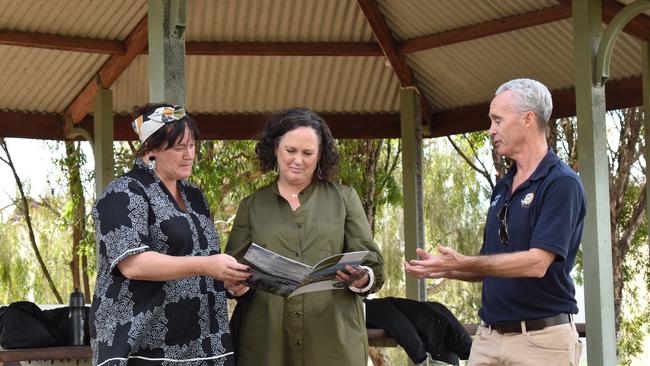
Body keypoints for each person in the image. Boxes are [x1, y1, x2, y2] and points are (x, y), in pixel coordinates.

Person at [405, 79, 586, 365]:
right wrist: (447, 269)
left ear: (528, 119)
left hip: (542, 343)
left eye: (498, 120)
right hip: (488, 340)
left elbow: (536, 263)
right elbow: (490, 265)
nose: (491, 130)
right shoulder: (502, 188)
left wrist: (462, 262)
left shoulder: (561, 183)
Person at [89, 104, 250, 366]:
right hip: (143, 348)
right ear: (151, 149)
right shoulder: (123, 192)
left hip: (205, 348)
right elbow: (132, 264)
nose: (189, 155)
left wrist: (229, 281)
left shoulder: (195, 197)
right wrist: (208, 266)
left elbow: (201, 261)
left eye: (192, 145)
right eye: (178, 148)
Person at [224, 107, 384, 366]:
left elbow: (374, 265)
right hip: (267, 344)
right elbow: (232, 268)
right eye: (290, 151)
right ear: (275, 149)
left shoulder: (345, 199)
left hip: (332, 343)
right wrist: (235, 286)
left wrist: (362, 277)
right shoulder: (251, 206)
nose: (298, 160)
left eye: (307, 153)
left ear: (320, 155)